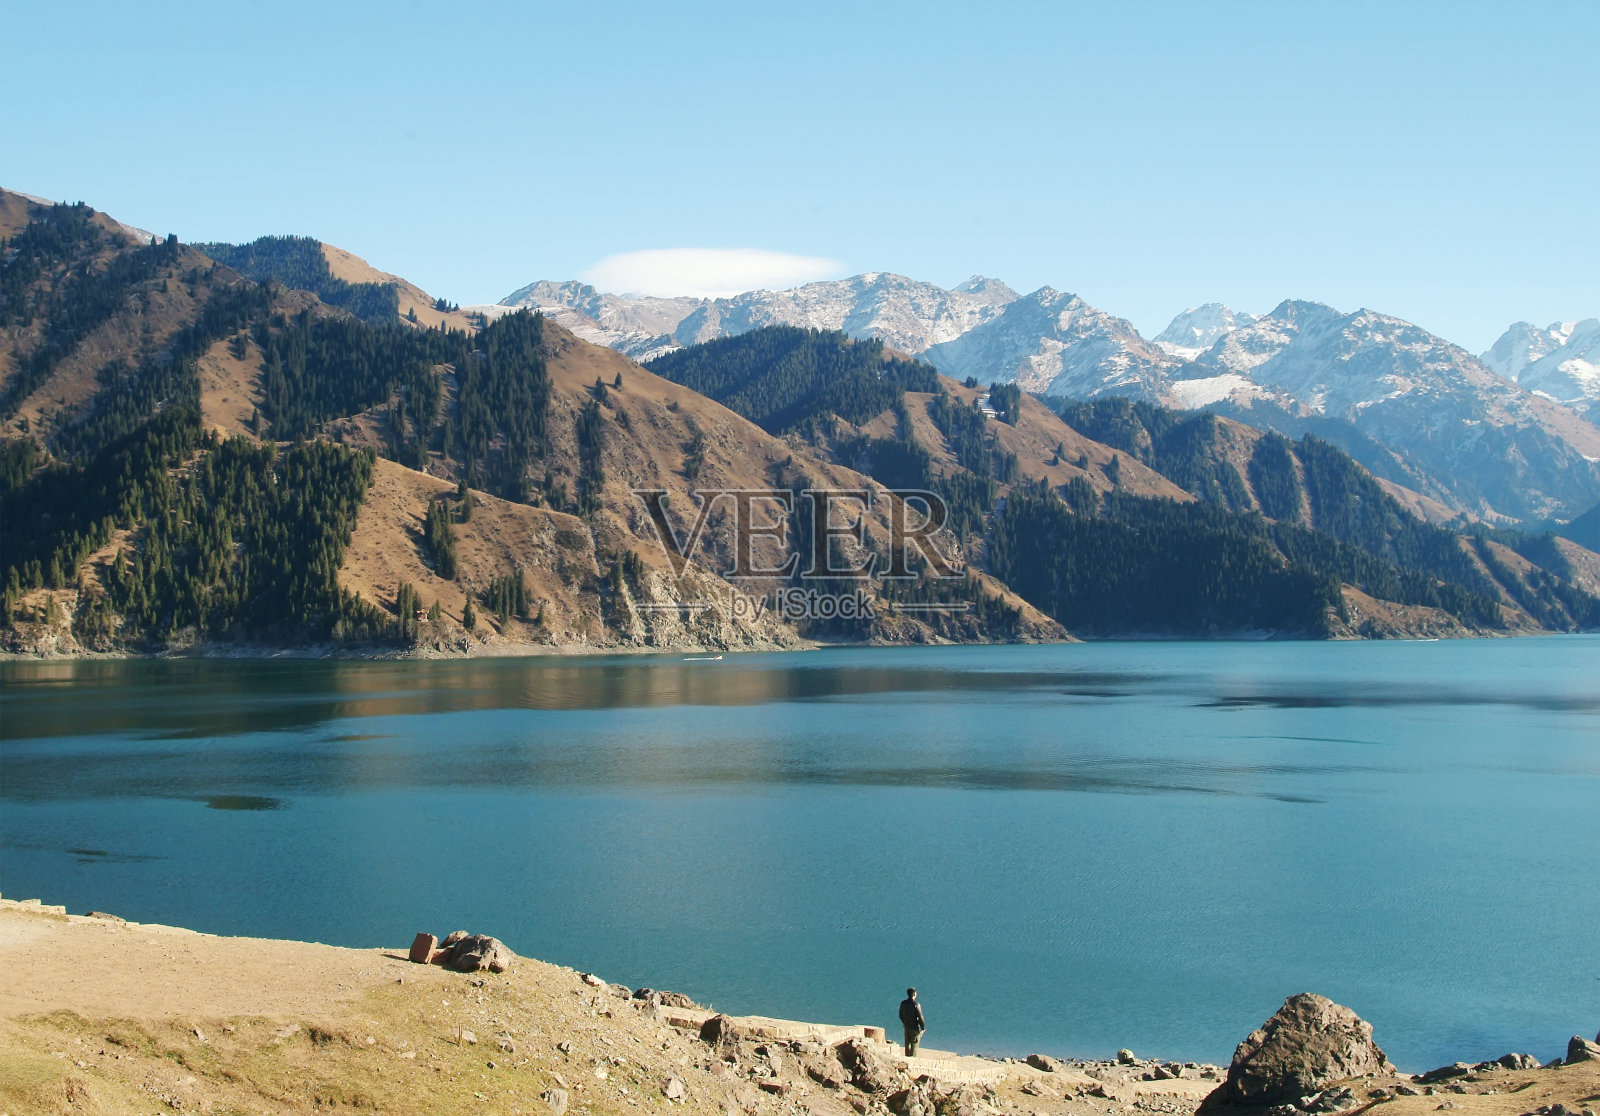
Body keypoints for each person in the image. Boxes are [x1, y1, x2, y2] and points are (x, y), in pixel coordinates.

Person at [898, 987, 926, 1057]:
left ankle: (907, 1057)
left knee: (907, 1044)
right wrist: (923, 1028)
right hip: (915, 1028)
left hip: (906, 1027)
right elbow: (920, 1017)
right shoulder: (916, 1004)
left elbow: (900, 1015)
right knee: (914, 1045)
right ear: (914, 994)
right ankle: (912, 1058)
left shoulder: (903, 1003)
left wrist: (904, 1022)